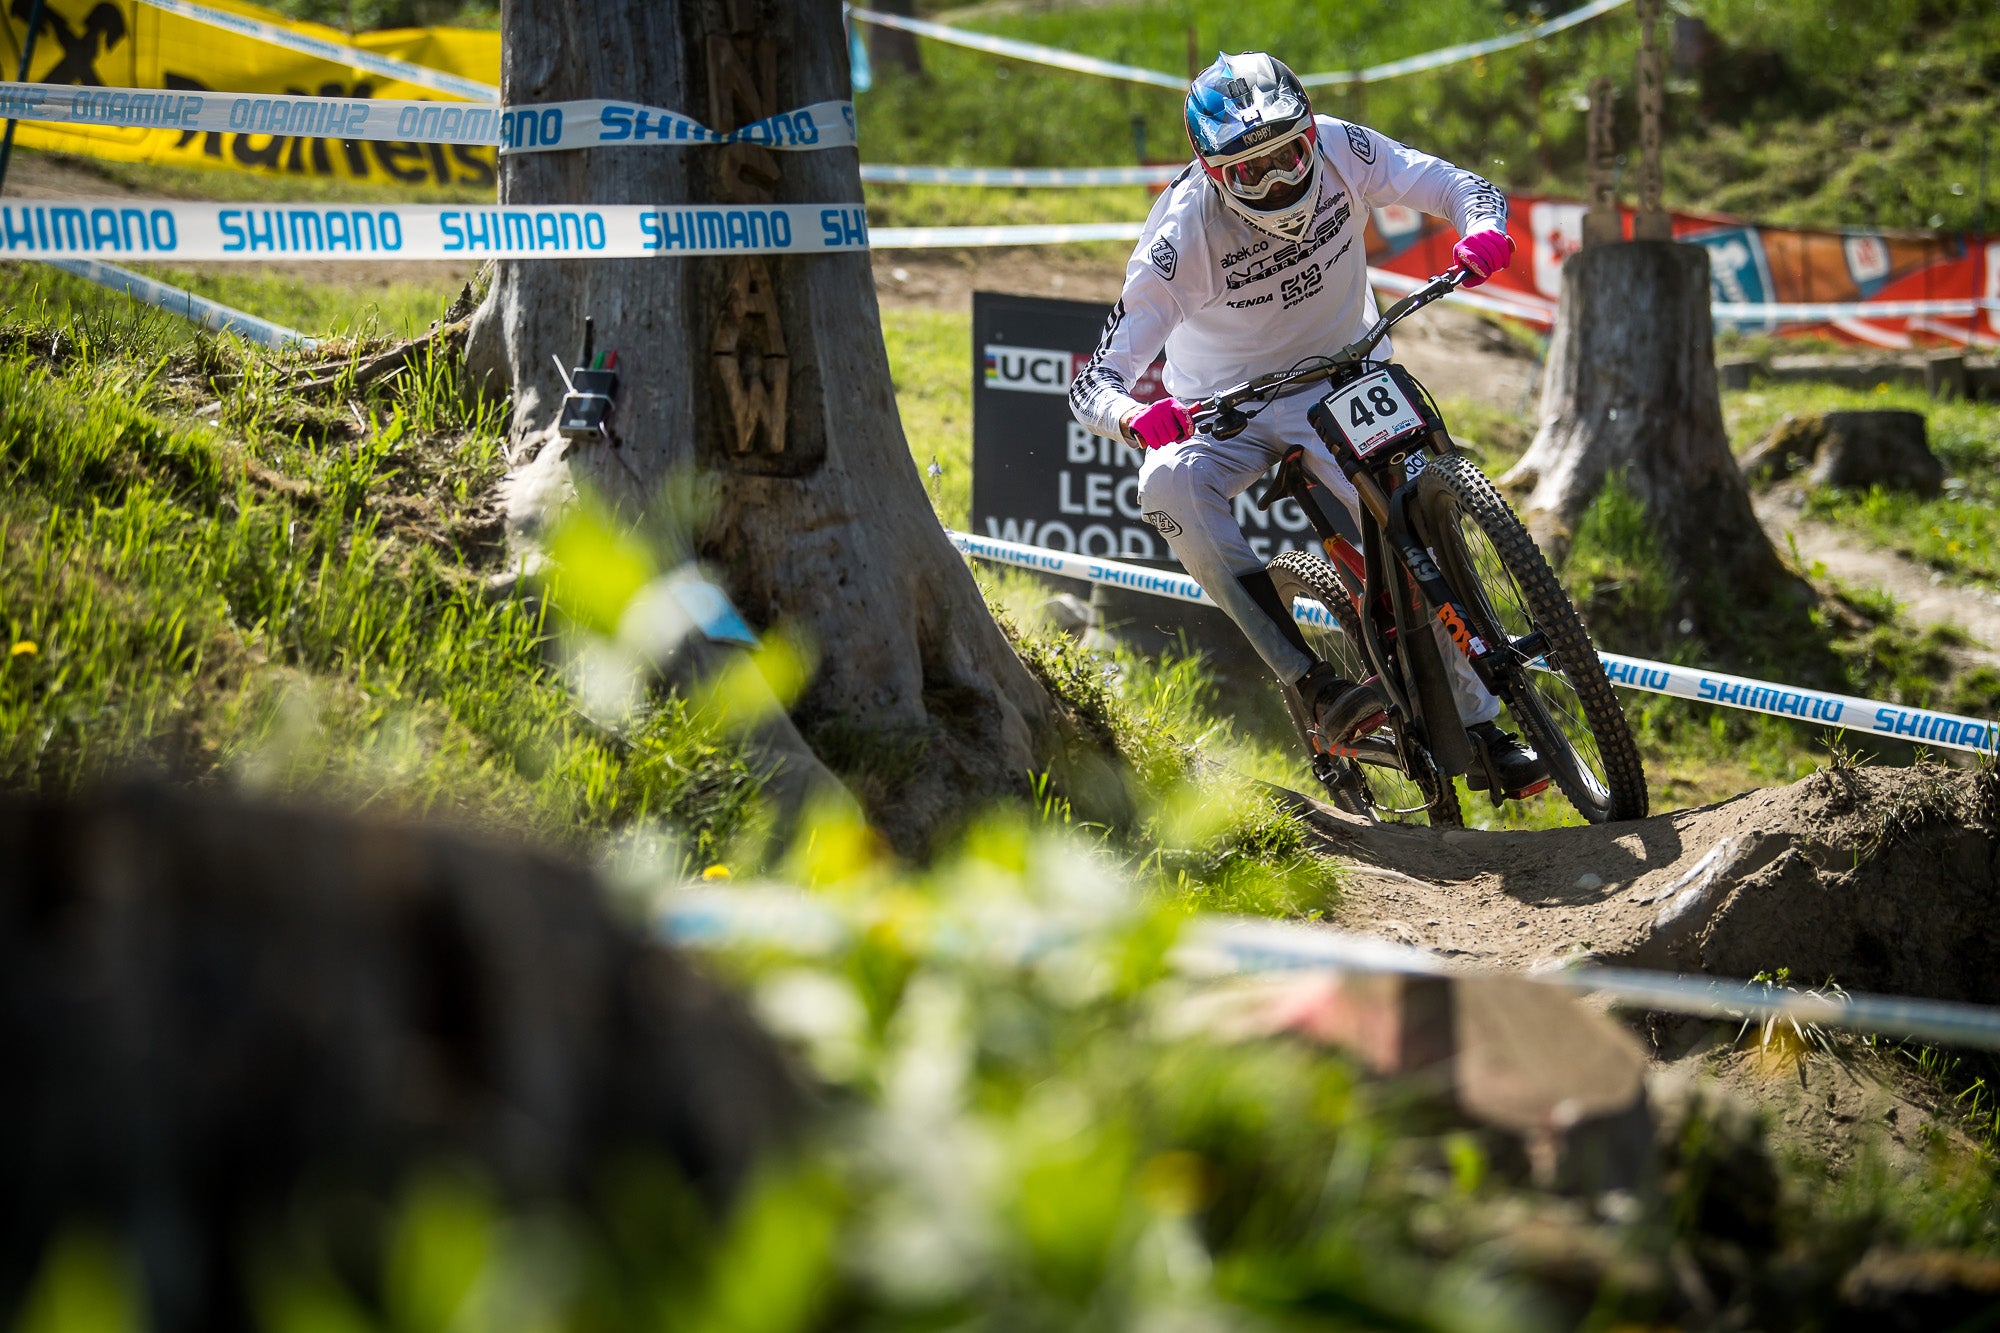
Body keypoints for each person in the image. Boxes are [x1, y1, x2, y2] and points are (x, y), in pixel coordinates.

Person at [1068, 50, 1547, 797]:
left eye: (1288, 155)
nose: (1279, 181)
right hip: (1231, 408)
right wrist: (1137, 417)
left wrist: (1483, 228)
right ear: (1208, 170)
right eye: (1248, 173)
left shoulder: (1344, 149)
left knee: (1411, 524)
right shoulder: (1178, 237)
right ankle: (1313, 682)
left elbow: (1460, 185)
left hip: (1347, 373)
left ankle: (1484, 727)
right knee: (1166, 485)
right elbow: (1092, 384)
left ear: (1311, 133)